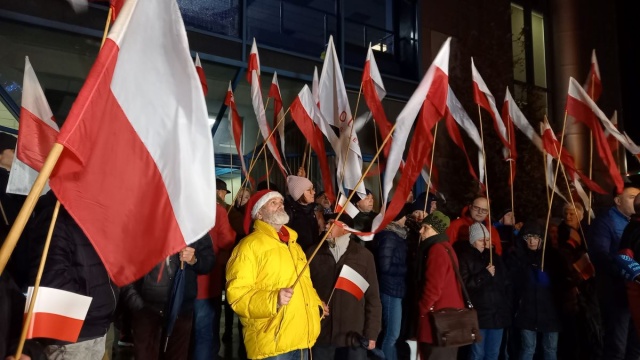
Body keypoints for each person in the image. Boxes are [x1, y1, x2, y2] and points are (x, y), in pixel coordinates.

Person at [226, 190, 326, 360]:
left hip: (302, 337)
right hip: (272, 343)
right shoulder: (248, 247)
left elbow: (305, 283)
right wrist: (273, 299)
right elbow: (237, 296)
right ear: (259, 213)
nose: (280, 205)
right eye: (273, 203)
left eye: (281, 202)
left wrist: (317, 304)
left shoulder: (294, 245)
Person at [36, 205, 120, 360]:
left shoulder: (93, 211)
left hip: (96, 327)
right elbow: (51, 279)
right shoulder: (56, 213)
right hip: (73, 338)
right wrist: (92, 307)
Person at [121, 235, 214, 360]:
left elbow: (208, 262)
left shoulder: (194, 225)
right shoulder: (143, 221)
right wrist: (136, 303)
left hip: (181, 309)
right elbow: (124, 264)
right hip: (146, 308)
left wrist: (194, 260)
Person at [307, 213, 381, 359]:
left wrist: (372, 333)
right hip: (322, 334)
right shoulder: (312, 253)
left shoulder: (364, 256)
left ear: (346, 229)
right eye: (327, 223)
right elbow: (304, 290)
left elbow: (373, 298)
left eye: (331, 223)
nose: (326, 226)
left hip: (354, 337)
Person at [587, 184, 640, 360]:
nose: (637, 200)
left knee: (635, 346)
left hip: (636, 295)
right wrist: (629, 270)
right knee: (617, 346)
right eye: (632, 197)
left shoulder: (635, 224)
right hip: (617, 294)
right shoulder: (604, 223)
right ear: (618, 201)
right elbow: (600, 256)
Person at [506, 221, 566, 360]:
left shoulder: (553, 256)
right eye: (528, 237)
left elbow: (562, 281)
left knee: (550, 349)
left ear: (542, 238)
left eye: (535, 237)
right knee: (528, 348)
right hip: (526, 311)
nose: (532, 241)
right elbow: (512, 282)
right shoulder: (517, 257)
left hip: (551, 311)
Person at [456, 222, 511, 360]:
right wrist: (484, 274)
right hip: (479, 315)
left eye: (487, 240)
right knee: (477, 353)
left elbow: (505, 283)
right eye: (481, 240)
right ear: (473, 240)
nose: (485, 243)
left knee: (493, 353)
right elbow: (465, 284)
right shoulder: (465, 257)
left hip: (497, 314)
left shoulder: (495, 257)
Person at [415, 210, 464, 360]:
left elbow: (433, 288)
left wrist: (422, 309)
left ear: (436, 230)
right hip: (447, 320)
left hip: (437, 321)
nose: (420, 231)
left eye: (426, 228)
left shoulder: (436, 250)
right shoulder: (446, 247)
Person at [191, 196, 236, 360]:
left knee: (182, 335)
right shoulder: (216, 211)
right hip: (206, 283)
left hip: (177, 285)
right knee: (205, 333)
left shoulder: (179, 207)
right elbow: (227, 240)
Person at [556, 203, 602, 360]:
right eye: (566, 213)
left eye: (572, 214)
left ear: (581, 216)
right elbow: (562, 262)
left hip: (588, 288)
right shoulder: (560, 234)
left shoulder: (586, 233)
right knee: (573, 330)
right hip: (571, 288)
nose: (568, 216)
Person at [374, 207, 408, 360]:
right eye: (404, 216)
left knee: (393, 333)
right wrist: (407, 267)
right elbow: (385, 266)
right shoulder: (389, 236)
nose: (406, 219)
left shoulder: (397, 235)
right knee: (391, 333)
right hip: (389, 289)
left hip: (396, 288)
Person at [284, 175, 320, 251]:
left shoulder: (312, 209)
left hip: (312, 253)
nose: (313, 192)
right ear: (298, 194)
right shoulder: (288, 212)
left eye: (312, 189)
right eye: (308, 190)